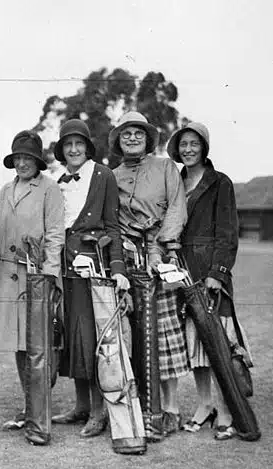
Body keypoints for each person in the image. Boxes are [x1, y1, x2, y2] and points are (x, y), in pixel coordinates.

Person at [110, 111, 189, 438]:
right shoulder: (110, 175)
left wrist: (161, 249)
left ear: (147, 138)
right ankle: (141, 408)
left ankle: (169, 410)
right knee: (133, 337)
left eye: (137, 133)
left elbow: (177, 207)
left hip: (159, 258)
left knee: (165, 335)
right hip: (126, 259)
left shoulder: (165, 168)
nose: (131, 138)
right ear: (118, 139)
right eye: (125, 133)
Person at [50, 119, 130, 438]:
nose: (73, 149)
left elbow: (112, 225)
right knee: (72, 338)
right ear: (61, 149)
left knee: (93, 340)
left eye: (79, 144)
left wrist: (118, 268)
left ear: (87, 147)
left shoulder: (103, 175)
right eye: (68, 145)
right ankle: (82, 405)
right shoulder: (58, 182)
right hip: (65, 270)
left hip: (94, 268)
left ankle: (99, 412)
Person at [167, 122, 242, 440]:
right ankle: (204, 404)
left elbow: (228, 232)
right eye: (183, 144)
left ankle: (226, 412)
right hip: (182, 270)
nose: (188, 149)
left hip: (209, 270)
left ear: (204, 146)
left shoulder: (220, 182)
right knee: (194, 343)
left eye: (194, 143)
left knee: (217, 344)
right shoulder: (175, 181)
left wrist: (217, 274)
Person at [0, 130, 64, 431]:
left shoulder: (49, 189)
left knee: (41, 342)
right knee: (19, 344)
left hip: (37, 274)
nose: (23, 163)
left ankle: (40, 405)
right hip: (8, 277)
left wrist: (48, 273)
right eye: (18, 158)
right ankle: (29, 405)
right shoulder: (4, 191)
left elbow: (55, 233)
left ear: (38, 161)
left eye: (28, 158)